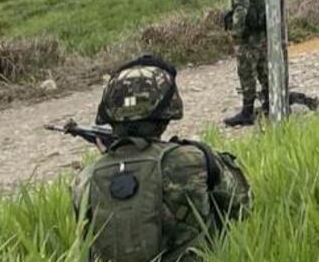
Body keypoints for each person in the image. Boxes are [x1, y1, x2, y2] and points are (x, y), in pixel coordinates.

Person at [72, 55, 251, 262]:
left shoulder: (85, 179)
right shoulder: (195, 161)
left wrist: (115, 163)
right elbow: (243, 205)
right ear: (167, 115)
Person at [223, 0, 318, 127]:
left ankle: (247, 111)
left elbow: (240, 14)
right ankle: (270, 103)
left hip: (249, 38)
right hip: (265, 35)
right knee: (264, 71)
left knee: (246, 73)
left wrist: (235, 35)